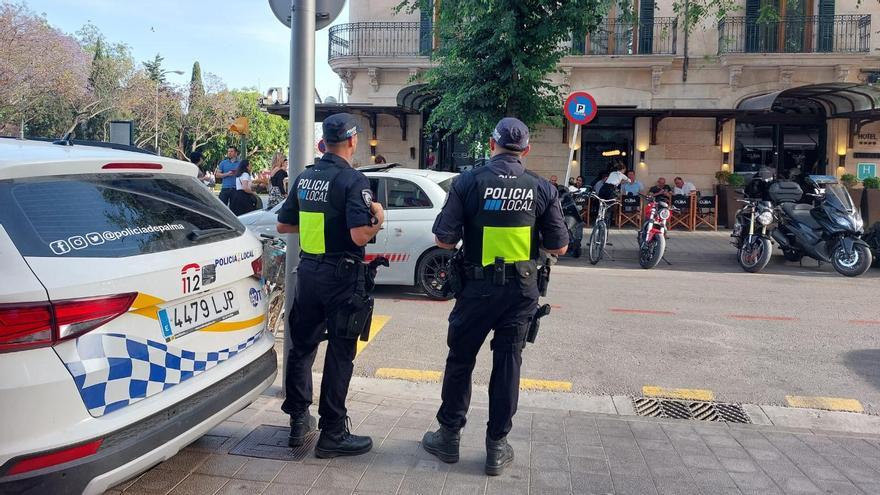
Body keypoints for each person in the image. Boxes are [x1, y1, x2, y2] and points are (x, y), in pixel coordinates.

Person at [421, 117, 569, 476]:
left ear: (491, 145)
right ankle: (496, 447)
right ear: (526, 150)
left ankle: (449, 436)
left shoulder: (468, 182)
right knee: (507, 364)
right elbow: (559, 245)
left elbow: (443, 240)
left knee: (461, 360)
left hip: (475, 289)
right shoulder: (541, 188)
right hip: (520, 292)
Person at [276, 113, 384, 458]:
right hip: (342, 277)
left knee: (302, 347)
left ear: (324, 143)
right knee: (340, 353)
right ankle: (333, 433)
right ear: (352, 141)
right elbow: (358, 234)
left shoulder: (306, 177)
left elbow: (284, 226)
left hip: (308, 272)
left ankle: (298, 421)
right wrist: (379, 220)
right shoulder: (353, 180)